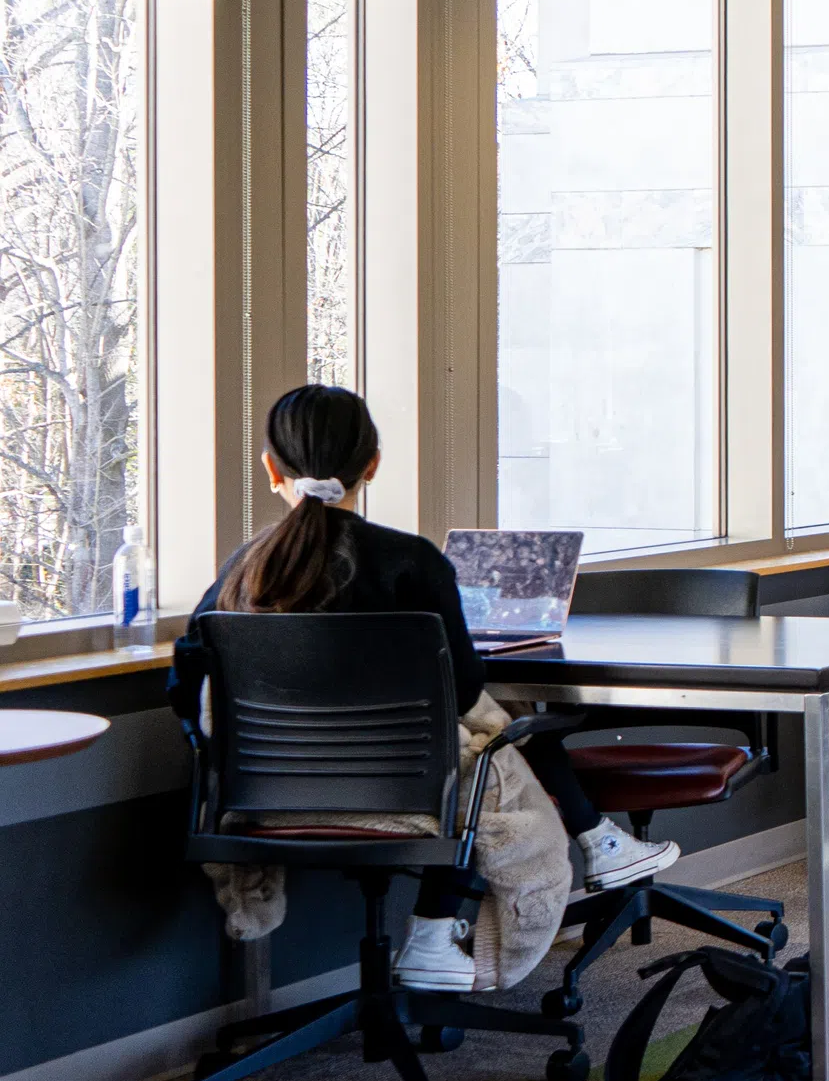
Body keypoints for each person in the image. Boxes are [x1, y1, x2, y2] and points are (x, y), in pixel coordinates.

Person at [194, 385, 677, 991]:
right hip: (403, 795)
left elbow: (185, 690)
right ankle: (441, 926)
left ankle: (561, 863)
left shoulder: (241, 572)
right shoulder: (411, 562)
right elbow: (467, 687)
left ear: (271, 469)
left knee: (473, 750)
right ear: (372, 465)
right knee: (490, 742)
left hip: (262, 798)